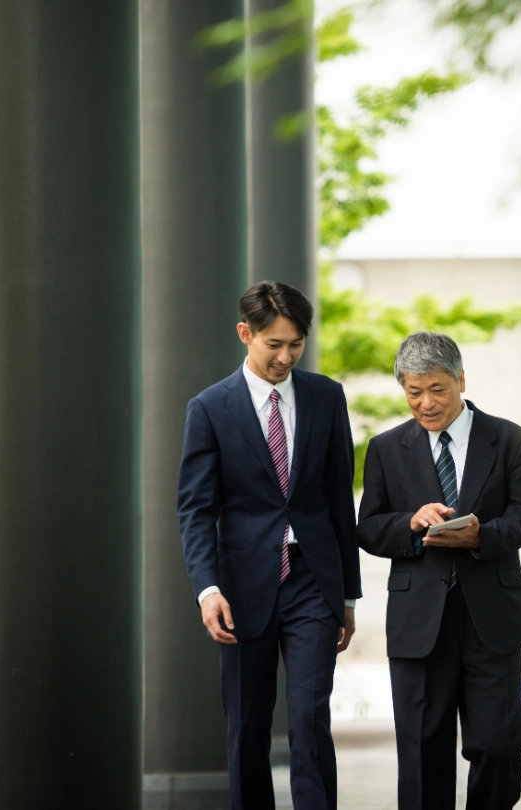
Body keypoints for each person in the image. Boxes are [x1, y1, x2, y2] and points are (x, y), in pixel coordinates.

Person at [176, 281, 361, 810]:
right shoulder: (210, 408)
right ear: (245, 334)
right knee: (247, 725)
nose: (285, 357)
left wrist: (348, 596)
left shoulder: (327, 397)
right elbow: (195, 509)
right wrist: (207, 589)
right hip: (241, 588)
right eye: (273, 344)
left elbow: (338, 500)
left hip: (312, 581)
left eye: (295, 344)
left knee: (309, 717)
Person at [358, 331, 521, 810]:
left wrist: (481, 536)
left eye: (437, 389)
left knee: (499, 743)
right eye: (414, 392)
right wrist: (410, 522)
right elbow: (369, 527)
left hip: (491, 616)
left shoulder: (512, 440)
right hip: (418, 621)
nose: (426, 403)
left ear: (461, 379)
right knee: (423, 753)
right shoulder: (385, 448)